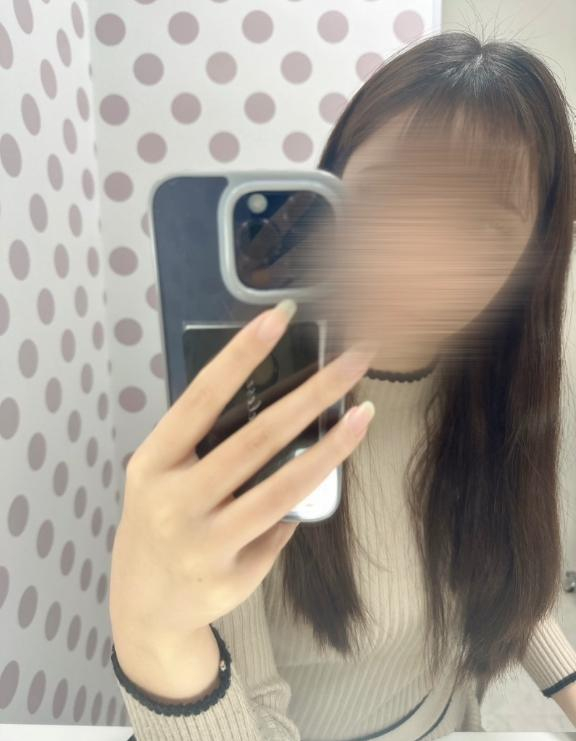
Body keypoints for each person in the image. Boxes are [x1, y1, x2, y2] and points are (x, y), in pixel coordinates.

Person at [108, 30, 576, 740]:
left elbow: (501, 562)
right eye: (387, 196)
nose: (417, 258)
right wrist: (155, 640)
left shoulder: (490, 394)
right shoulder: (252, 412)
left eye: (482, 225)